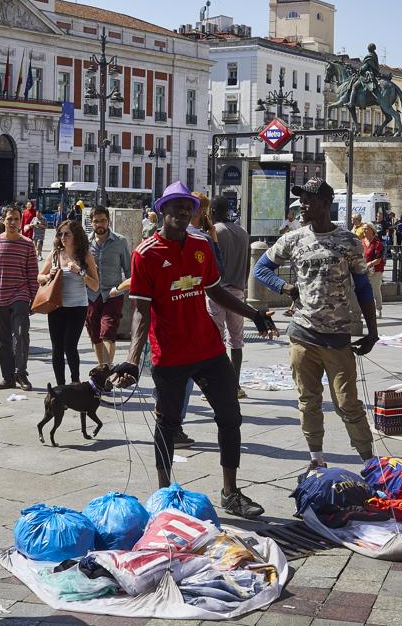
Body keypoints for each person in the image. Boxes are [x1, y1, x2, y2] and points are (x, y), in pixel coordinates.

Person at [110, 182, 277, 518]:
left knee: (231, 416)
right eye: (176, 207)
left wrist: (254, 314)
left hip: (208, 348)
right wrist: (131, 360)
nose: (184, 213)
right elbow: (141, 311)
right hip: (170, 354)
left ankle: (230, 492)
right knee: (168, 424)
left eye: (188, 207)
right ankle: (163, 496)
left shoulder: (201, 245)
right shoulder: (145, 254)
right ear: (162, 212)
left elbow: (217, 292)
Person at [253, 177, 379, 470]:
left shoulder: (348, 241)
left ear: (325, 204)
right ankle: (316, 460)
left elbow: (363, 287)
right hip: (302, 335)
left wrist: (372, 331)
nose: (302, 207)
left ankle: (370, 462)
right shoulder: (293, 238)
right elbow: (261, 268)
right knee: (308, 401)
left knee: (347, 403)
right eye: (301, 201)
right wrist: (284, 288)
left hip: (337, 338)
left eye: (308, 201)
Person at [0, 206, 39, 391]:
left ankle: (21, 373)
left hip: (20, 295)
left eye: (16, 219)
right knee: (4, 339)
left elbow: (32, 274)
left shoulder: (28, 244)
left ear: (21, 221)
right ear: (3, 221)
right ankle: (8, 377)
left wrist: (34, 299)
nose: (13, 222)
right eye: (9, 219)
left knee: (22, 334)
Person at [39, 220, 99, 386]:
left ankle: (75, 382)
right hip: (56, 306)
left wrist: (79, 271)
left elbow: (95, 285)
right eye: (60, 234)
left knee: (70, 345)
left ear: (76, 236)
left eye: (67, 234)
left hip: (77, 307)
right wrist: (48, 276)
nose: (63, 237)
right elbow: (39, 277)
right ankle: (60, 386)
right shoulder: (55, 254)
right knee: (57, 347)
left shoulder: (85, 256)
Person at [207, 195, 252, 399]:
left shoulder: (215, 232)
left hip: (218, 291)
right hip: (238, 290)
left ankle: (218, 385)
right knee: (237, 341)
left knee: (215, 340)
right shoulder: (243, 232)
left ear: (213, 211)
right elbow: (248, 265)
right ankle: (235, 385)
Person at [86, 206, 130, 367]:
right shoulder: (85, 243)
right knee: (95, 334)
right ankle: (101, 369)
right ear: (91, 222)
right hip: (91, 295)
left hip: (113, 294)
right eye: (96, 221)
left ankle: (107, 369)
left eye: (103, 221)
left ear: (108, 221)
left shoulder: (120, 241)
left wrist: (126, 291)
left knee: (108, 332)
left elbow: (129, 270)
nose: (100, 224)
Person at [359, 222, 385, 318]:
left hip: (375, 270)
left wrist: (369, 264)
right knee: (363, 290)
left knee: (375, 290)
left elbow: (379, 259)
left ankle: (378, 309)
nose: (364, 231)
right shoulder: (361, 241)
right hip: (363, 270)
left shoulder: (377, 243)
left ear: (372, 230)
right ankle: (364, 310)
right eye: (363, 229)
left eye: (366, 229)